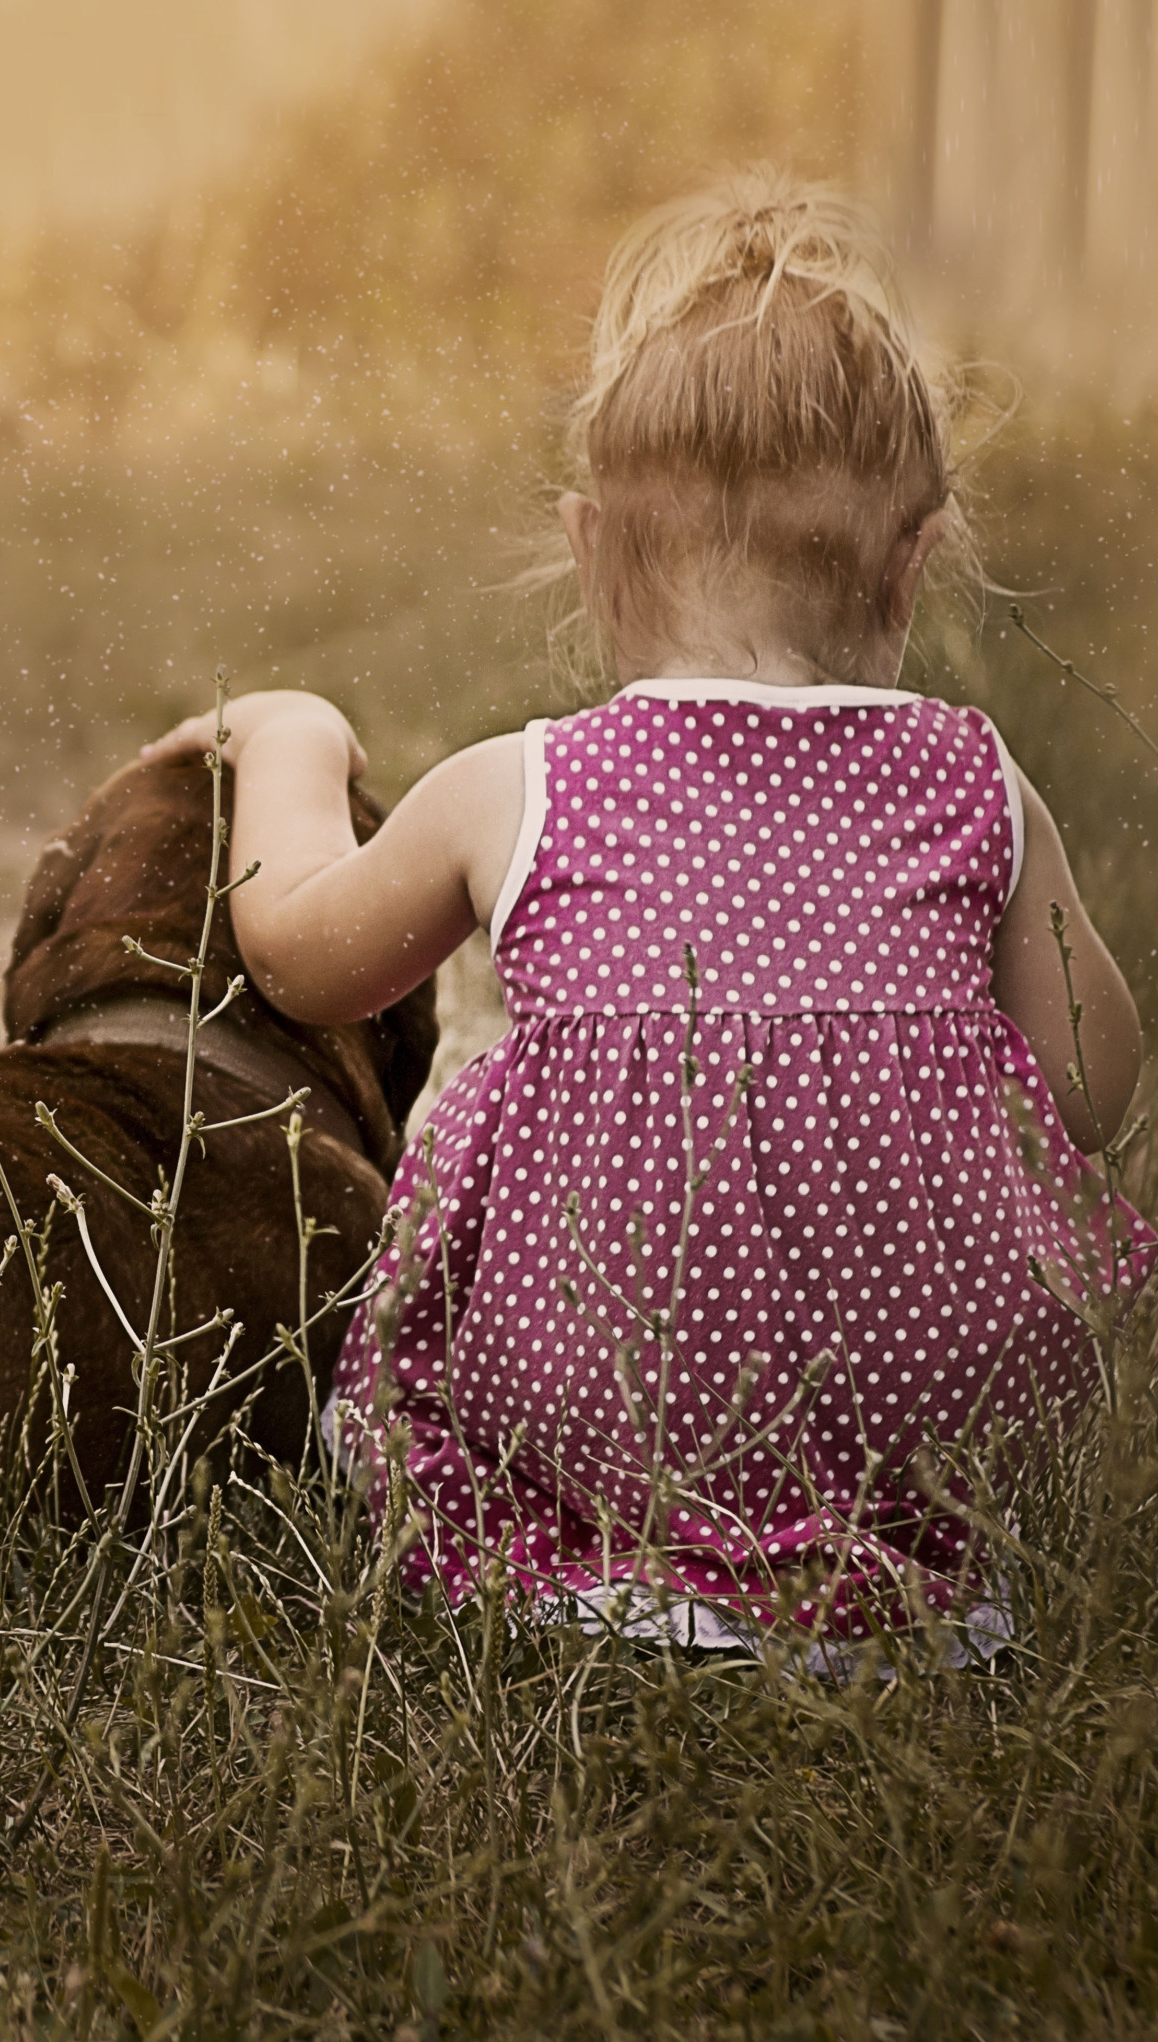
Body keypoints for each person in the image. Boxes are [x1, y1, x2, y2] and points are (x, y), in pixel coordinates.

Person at [143, 170, 1155, 1652]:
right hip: (947, 1430)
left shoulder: (523, 785)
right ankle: (906, 1553)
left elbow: (301, 959)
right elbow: (1093, 1087)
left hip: (614, 1421)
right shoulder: (974, 776)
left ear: (590, 543)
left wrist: (291, 734)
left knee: (458, 1374)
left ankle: (637, 1565)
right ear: (915, 556)